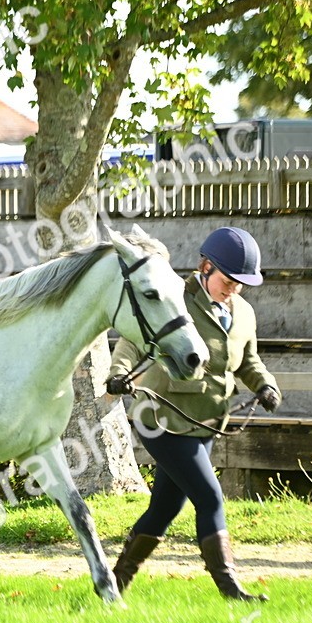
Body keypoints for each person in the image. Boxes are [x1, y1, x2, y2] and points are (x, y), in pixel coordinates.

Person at [106, 226, 281, 602]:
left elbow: (249, 361)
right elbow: (132, 342)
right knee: (210, 496)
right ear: (205, 267)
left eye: (240, 284)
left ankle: (113, 583)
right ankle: (230, 587)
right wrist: (117, 374)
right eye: (227, 280)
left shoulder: (244, 313)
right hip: (162, 418)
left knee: (165, 508)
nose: (233, 289)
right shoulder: (177, 296)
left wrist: (265, 386)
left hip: (206, 421)